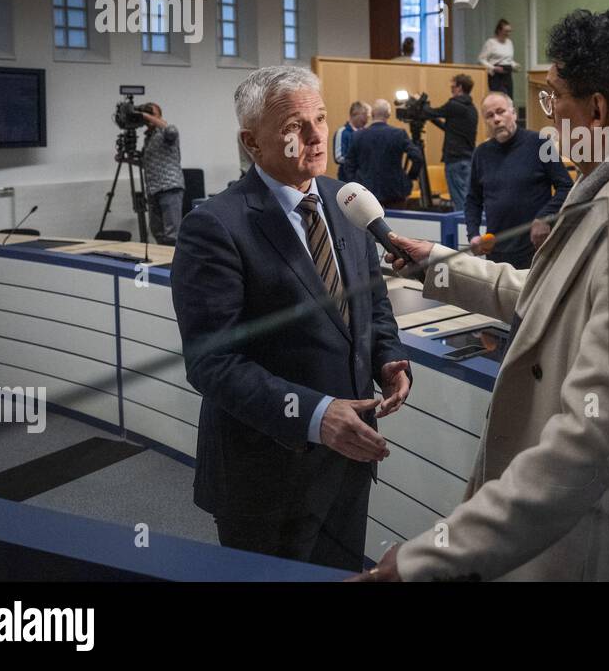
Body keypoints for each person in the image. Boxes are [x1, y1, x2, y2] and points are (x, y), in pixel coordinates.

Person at [362, 7, 609, 582]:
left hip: (604, 543)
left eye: (554, 101)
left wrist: (428, 557)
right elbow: (551, 298)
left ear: (596, 109)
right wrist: (441, 267)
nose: (548, 122)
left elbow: (582, 447)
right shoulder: (608, 186)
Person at [170, 66, 411, 571]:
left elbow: (373, 302)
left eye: (320, 118)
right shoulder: (214, 226)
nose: (316, 135)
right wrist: (318, 416)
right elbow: (212, 364)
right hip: (264, 475)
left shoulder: (347, 201)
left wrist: (389, 356)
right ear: (251, 142)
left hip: (348, 463)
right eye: (294, 127)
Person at [464, 91, 572, 269]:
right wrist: (473, 234)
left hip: (536, 249)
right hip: (496, 252)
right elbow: (472, 200)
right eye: (490, 116)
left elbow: (566, 186)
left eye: (501, 112)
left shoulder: (540, 143)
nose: (496, 119)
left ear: (513, 113)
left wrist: (544, 217)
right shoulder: (481, 153)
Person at [347, 99, 423, 210]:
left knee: (369, 226)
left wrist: (355, 183)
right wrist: (409, 178)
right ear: (388, 114)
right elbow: (417, 157)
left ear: (372, 114)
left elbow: (349, 165)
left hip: (366, 192)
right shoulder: (398, 134)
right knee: (396, 225)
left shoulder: (357, 136)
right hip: (395, 190)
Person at [426, 74, 479, 211]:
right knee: (467, 197)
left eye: (453, 86)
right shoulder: (472, 109)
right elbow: (449, 128)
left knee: (460, 202)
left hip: (454, 160)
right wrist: (431, 117)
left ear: (460, 87)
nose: (451, 89)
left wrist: (421, 106)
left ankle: (463, 229)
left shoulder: (454, 105)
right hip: (468, 160)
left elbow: (434, 112)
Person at [139, 102, 185, 245]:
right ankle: (163, 263)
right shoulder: (149, 138)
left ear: (159, 116)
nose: (148, 118)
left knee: (172, 233)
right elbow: (147, 163)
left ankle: (172, 265)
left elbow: (171, 130)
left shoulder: (166, 132)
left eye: (152, 114)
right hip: (153, 190)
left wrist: (146, 115)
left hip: (169, 187)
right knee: (157, 231)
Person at [479, 19, 519, 98]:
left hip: (507, 73)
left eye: (510, 31)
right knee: (498, 97)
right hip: (496, 75)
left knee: (509, 97)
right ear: (499, 30)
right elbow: (481, 59)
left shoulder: (509, 42)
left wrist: (514, 65)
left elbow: (509, 59)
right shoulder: (491, 43)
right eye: (506, 31)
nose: (508, 34)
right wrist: (493, 68)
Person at [333, 101, 370, 184]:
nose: (366, 120)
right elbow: (338, 157)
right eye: (364, 115)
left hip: (364, 179)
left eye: (368, 116)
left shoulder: (366, 133)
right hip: (347, 179)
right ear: (354, 114)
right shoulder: (342, 132)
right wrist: (358, 160)